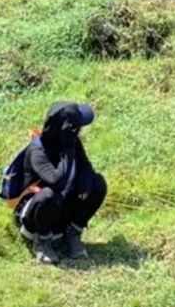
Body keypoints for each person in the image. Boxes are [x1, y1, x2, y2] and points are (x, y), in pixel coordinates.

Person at [14, 101, 107, 265]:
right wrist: (68, 149)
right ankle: (42, 241)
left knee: (98, 183)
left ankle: (72, 233)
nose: (81, 129)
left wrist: (85, 182)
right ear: (66, 130)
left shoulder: (72, 143)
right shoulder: (37, 151)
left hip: (60, 209)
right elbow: (57, 181)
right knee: (49, 195)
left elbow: (85, 165)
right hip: (35, 217)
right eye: (78, 126)